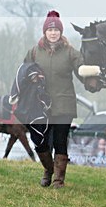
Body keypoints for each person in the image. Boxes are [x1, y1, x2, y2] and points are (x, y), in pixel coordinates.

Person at [26, 10, 83, 188]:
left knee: (59, 141)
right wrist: (32, 77)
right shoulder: (34, 52)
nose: (53, 33)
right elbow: (24, 72)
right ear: (45, 32)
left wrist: (94, 77)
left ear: (61, 32)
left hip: (63, 104)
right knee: (41, 141)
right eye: (50, 30)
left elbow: (82, 70)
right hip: (40, 104)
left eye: (56, 30)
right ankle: (48, 169)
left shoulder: (70, 52)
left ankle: (58, 180)